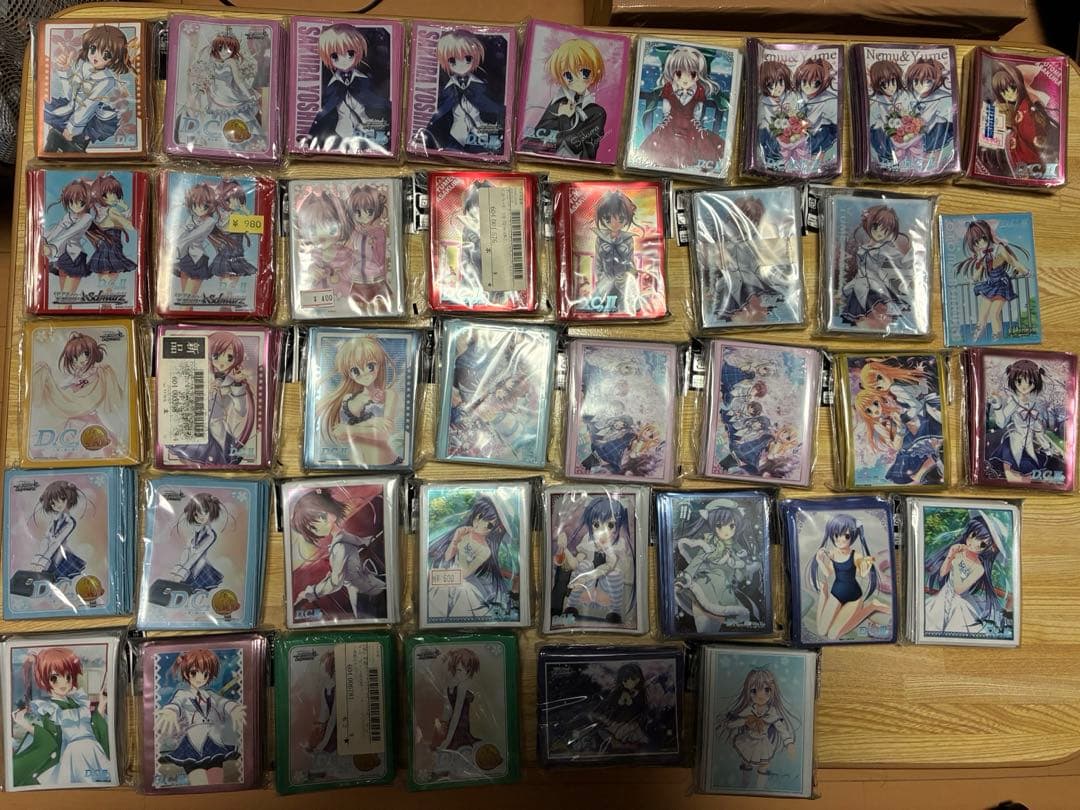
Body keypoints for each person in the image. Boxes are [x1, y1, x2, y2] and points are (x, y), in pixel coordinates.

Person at [11, 648, 111, 786]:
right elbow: (49, 739)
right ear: (45, 681)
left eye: (68, 677)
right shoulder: (49, 709)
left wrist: (102, 706)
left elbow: (92, 727)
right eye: (55, 678)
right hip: (74, 755)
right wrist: (26, 725)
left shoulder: (79, 703)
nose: (63, 683)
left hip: (95, 751)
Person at [290, 488, 386, 621]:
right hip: (373, 588)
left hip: (364, 597)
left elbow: (335, 583)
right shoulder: (343, 539)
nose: (323, 520)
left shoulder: (340, 545)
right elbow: (337, 572)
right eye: (312, 526)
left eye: (322, 515)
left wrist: (309, 593)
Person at [156, 648, 245, 785]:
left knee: (216, 781)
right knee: (198, 779)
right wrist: (170, 712)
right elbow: (176, 704)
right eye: (194, 672)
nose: (200, 678)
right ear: (185, 673)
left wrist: (234, 708)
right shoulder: (183, 694)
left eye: (205, 674)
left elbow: (222, 702)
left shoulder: (210, 694)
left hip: (214, 741)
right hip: (193, 742)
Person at [43, 25, 132, 153]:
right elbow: (71, 95)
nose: (96, 56)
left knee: (72, 146)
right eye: (93, 48)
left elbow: (89, 105)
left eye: (106, 54)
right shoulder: (83, 65)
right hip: (74, 109)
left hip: (91, 118)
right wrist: (64, 71)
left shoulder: (107, 80)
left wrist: (72, 128)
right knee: (52, 138)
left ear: (115, 59)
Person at [314, 335, 400, 467]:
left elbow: (385, 433)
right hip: (354, 466)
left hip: (387, 464)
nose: (364, 373)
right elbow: (340, 435)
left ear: (379, 365)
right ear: (349, 374)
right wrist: (372, 423)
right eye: (355, 370)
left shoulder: (389, 395)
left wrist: (350, 430)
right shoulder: (347, 398)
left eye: (370, 366)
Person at [427, 496, 513, 621]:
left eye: (489, 525)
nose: (479, 524)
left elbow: (466, 573)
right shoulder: (464, 532)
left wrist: (448, 575)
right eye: (479, 517)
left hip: (462, 578)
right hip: (448, 570)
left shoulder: (485, 550)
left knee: (463, 592)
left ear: (495, 529)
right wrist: (456, 537)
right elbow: (447, 557)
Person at [638, 45, 724, 170]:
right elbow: (666, 110)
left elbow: (697, 112)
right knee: (661, 145)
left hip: (691, 126)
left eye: (692, 74)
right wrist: (665, 121)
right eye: (679, 73)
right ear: (671, 72)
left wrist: (696, 123)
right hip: (671, 124)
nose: (685, 79)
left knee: (696, 145)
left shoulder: (699, 90)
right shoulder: (668, 87)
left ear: (698, 75)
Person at [924, 512, 1009, 636]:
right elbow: (943, 573)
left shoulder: (979, 568)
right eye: (973, 535)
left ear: (990, 548)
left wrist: (958, 559)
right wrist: (950, 554)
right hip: (942, 597)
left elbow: (958, 589)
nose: (972, 542)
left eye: (982, 544)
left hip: (959, 604)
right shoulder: (960, 552)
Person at [308, 24, 388, 153]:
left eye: (350, 54)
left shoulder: (362, 79)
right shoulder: (333, 84)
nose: (344, 60)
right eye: (335, 56)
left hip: (366, 127)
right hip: (341, 131)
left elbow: (373, 99)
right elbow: (327, 106)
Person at [424, 30, 505, 154]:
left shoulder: (480, 86)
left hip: (480, 134)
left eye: (467, 59)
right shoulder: (449, 88)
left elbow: (493, 107)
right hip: (456, 135)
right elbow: (440, 110)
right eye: (452, 61)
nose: (461, 65)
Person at [954, 219, 1031, 342]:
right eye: (975, 242)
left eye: (981, 239)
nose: (979, 244)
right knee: (982, 316)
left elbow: (1013, 262)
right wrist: (973, 276)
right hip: (990, 284)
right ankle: (974, 339)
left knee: (994, 313)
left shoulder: (999, 249)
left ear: (987, 235)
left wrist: (1026, 272)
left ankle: (997, 338)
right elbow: (978, 274)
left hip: (1001, 284)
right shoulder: (981, 254)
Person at [534, 38, 607, 160]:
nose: (576, 80)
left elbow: (575, 146)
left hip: (579, 169)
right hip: (547, 164)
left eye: (584, 73)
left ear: (595, 73)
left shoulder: (596, 112)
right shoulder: (557, 104)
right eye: (568, 75)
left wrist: (564, 118)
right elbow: (537, 141)